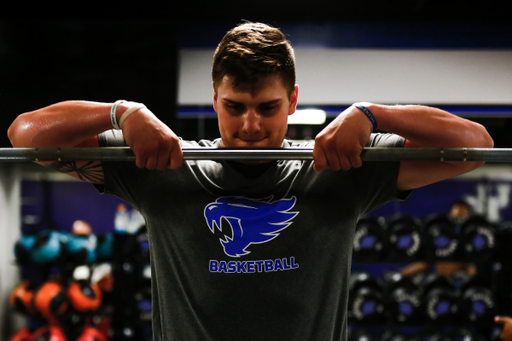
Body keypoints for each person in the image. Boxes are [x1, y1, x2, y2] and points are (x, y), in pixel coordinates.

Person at [7, 22, 493, 341]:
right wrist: (122, 111)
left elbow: (476, 146)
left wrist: (374, 114)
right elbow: (25, 134)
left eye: (268, 108)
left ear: (293, 100)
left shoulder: (339, 170)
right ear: (215, 99)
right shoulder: (164, 166)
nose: (251, 126)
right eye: (235, 107)